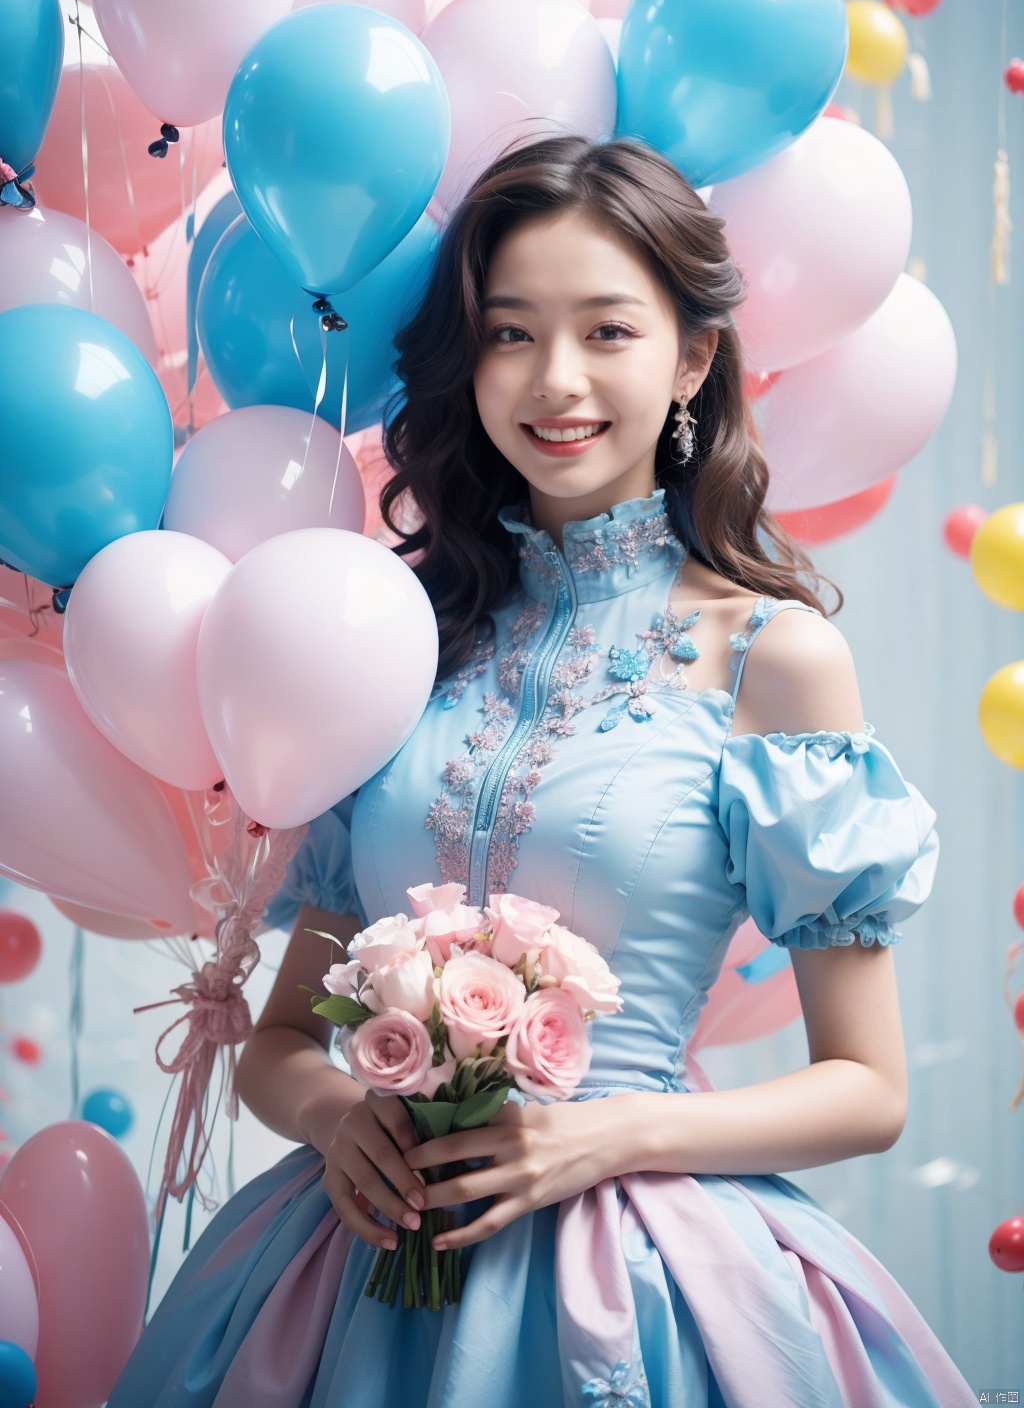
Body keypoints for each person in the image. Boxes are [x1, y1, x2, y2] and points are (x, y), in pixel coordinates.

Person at [107, 134, 978, 1407]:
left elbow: (867, 1088)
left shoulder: (775, 659)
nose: (554, 380)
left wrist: (605, 1134)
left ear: (690, 357)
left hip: (638, 1278)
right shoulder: (396, 639)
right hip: (346, 1268)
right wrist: (336, 1117)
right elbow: (286, 1039)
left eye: (608, 332)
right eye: (510, 334)